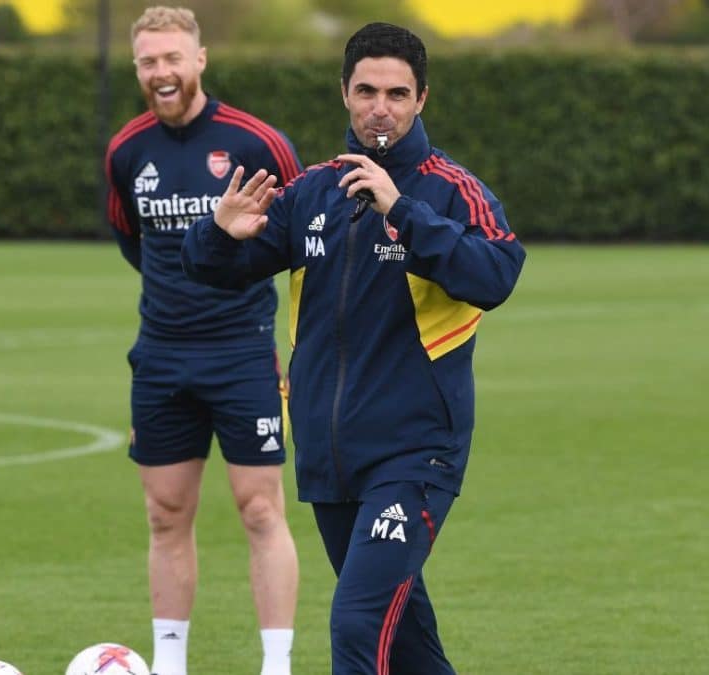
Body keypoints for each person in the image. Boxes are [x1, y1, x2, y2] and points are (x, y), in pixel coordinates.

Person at [181, 21, 526, 675]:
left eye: (397, 94)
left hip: (415, 456)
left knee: (358, 622)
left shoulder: (450, 190)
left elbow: (497, 274)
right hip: (332, 459)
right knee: (410, 647)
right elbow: (216, 269)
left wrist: (403, 210)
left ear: (421, 98)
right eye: (367, 90)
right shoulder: (311, 193)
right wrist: (218, 234)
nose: (380, 108)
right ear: (345, 93)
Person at [104, 7, 303, 675]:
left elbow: (293, 233)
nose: (161, 73)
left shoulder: (256, 144)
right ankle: (169, 664)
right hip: (159, 355)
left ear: (200, 59)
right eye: (148, 62)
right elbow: (136, 241)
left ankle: (276, 666)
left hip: (242, 351)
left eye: (172, 58)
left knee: (258, 508)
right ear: (138, 69)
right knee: (165, 513)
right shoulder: (126, 151)